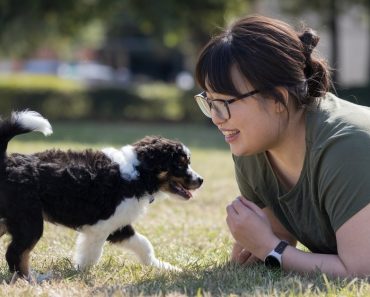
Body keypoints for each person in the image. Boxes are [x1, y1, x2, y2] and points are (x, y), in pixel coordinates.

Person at [193, 15, 370, 277]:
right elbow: (278, 235)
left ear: (278, 99)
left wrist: (270, 249)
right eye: (210, 101)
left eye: (225, 103)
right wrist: (258, 241)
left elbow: (360, 271)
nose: (217, 118)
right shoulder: (251, 147)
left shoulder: (347, 146)